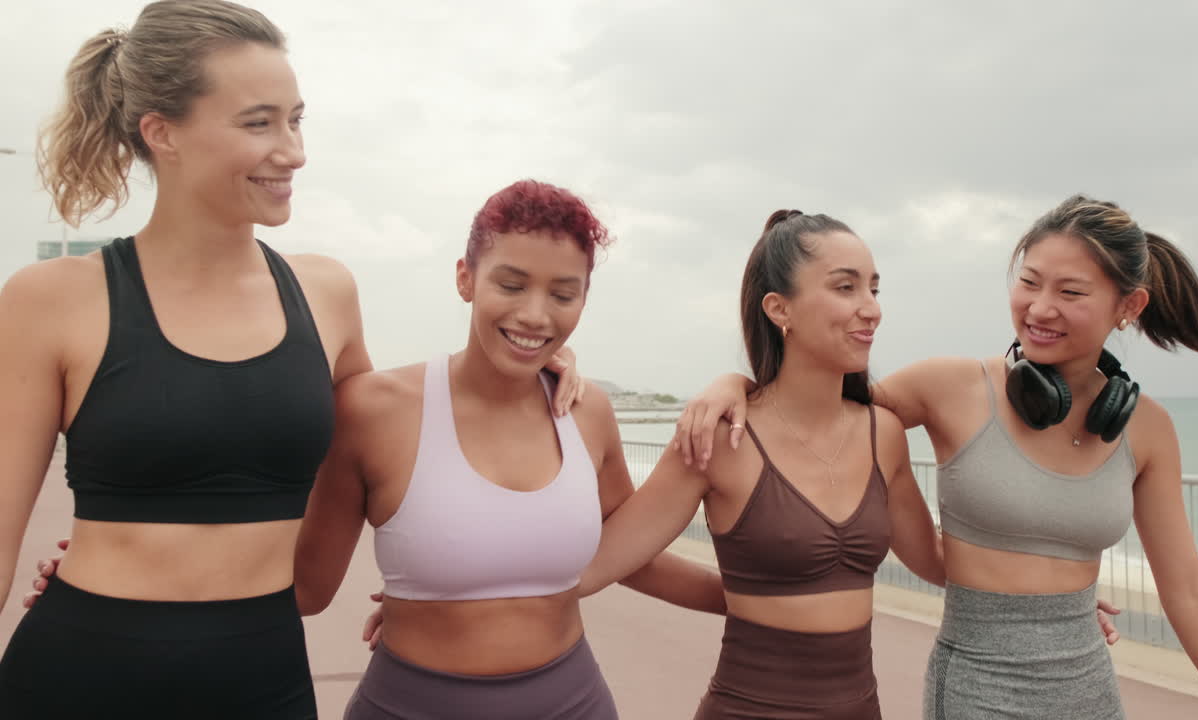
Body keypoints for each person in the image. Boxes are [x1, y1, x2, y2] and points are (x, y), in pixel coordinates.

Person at [0, 4, 584, 717]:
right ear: (163, 133)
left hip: (264, 679)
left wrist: (532, 363)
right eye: (259, 122)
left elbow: (399, 433)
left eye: (295, 119)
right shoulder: (52, 301)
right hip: (78, 676)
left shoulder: (326, 293)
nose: (294, 151)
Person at [677, 195, 1198, 719]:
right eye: (1029, 281)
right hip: (975, 689)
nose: (1040, 308)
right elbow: (814, 411)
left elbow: (1190, 593)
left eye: (1070, 292)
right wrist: (735, 385)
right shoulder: (949, 388)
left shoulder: (1148, 429)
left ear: (1130, 305)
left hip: (1089, 688)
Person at [293, 179, 725, 720]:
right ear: (465, 278)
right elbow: (307, 589)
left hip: (574, 704)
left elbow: (631, 555)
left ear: (584, 300)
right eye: (512, 285)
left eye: (563, 295)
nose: (535, 316)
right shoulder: (372, 409)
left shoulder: (586, 412)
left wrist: (756, 600)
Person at [576, 210, 945, 719]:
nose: (871, 309)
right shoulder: (721, 438)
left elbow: (938, 564)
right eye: (845, 288)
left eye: (874, 290)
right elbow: (604, 560)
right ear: (779, 309)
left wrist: (1059, 595)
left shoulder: (884, 434)